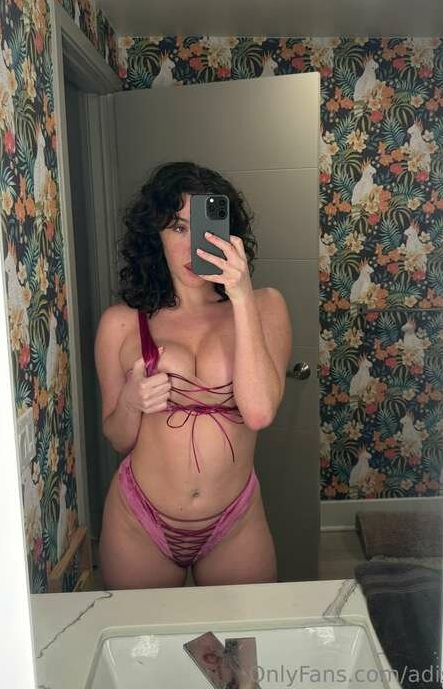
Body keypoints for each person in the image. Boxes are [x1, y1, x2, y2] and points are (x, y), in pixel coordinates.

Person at [95, 161, 292, 589]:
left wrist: (241, 295)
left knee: (245, 634)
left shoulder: (265, 306)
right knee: (142, 634)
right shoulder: (121, 323)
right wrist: (130, 401)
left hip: (234, 521)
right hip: (138, 520)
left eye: (201, 228)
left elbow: (258, 412)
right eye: (177, 228)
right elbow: (118, 438)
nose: (191, 246)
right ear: (155, 235)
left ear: (227, 235)